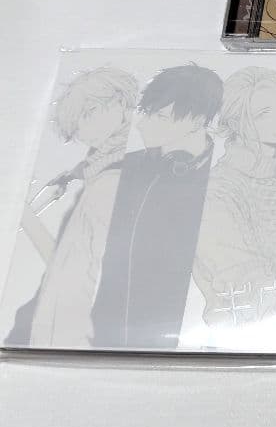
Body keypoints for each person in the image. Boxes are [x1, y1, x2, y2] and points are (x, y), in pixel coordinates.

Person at [90, 64, 223, 350]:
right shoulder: (125, 170)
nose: (142, 125)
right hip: (103, 339)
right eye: (147, 113)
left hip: (184, 343)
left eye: (160, 116)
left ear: (198, 120)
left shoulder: (222, 180)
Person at [5, 68, 138, 348]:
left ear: (121, 102)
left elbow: (71, 270)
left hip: (75, 331)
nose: (83, 131)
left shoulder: (109, 184)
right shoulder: (102, 171)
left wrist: (25, 215)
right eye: (77, 125)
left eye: (90, 112)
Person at [192, 67, 276, 328]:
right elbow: (244, 279)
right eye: (263, 114)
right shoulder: (217, 191)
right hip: (255, 330)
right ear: (236, 124)